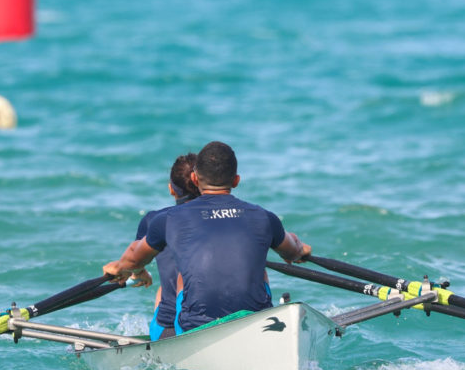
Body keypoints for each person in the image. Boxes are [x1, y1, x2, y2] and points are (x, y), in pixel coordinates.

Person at [104, 141, 311, 333]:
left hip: (196, 326)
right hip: (253, 321)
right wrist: (300, 250)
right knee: (259, 266)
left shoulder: (168, 218)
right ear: (236, 180)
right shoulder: (264, 217)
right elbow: (293, 251)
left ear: (195, 178)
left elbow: (133, 259)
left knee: (182, 276)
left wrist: (119, 268)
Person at [135, 153, 200, 340]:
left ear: (171, 189)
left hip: (169, 327)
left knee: (163, 288)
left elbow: (135, 263)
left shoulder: (153, 220)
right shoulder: (228, 216)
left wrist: (138, 273)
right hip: (218, 313)